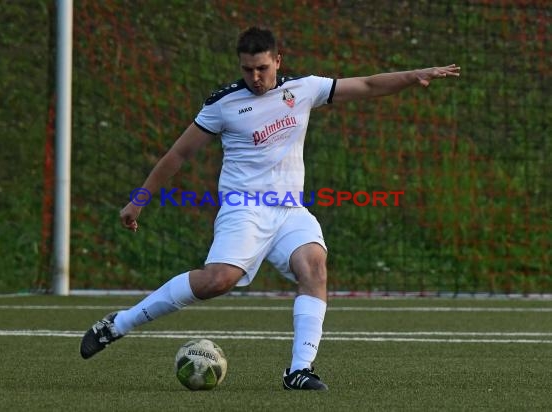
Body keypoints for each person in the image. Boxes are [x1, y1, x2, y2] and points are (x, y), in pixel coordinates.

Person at [80, 26, 459, 390]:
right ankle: (119, 324)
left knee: (314, 265)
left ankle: (299, 369)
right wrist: (139, 200)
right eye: (247, 69)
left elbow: (368, 84)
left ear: (278, 60)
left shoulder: (303, 89)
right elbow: (179, 154)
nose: (255, 77)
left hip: (290, 210)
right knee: (217, 281)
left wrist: (413, 75)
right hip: (244, 209)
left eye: (262, 68)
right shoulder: (224, 105)